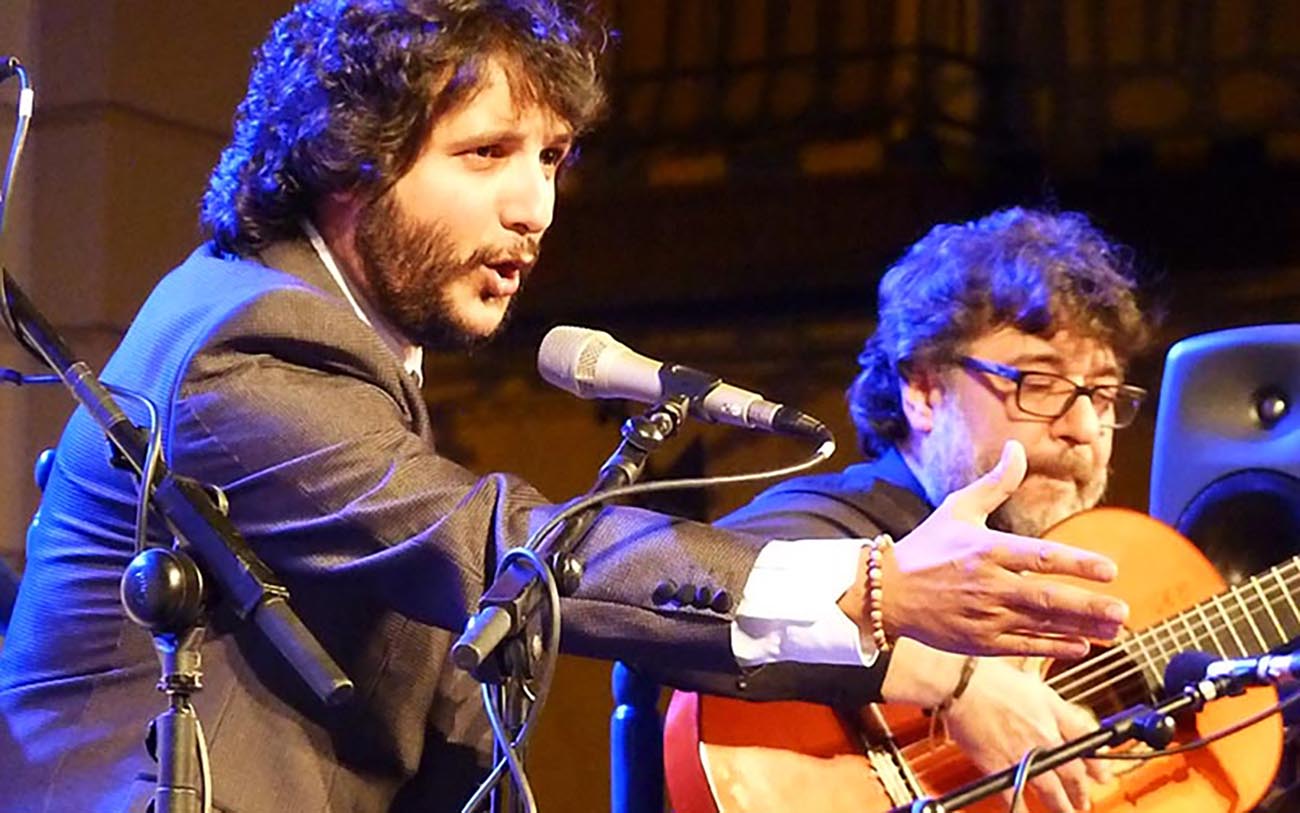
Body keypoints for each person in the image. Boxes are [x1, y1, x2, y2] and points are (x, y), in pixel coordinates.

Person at [0, 5, 1128, 812]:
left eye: (551, 155)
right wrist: (872, 589)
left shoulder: (342, 339)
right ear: (346, 163)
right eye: (486, 153)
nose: (535, 205)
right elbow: (498, 547)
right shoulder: (248, 341)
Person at [718, 207, 1152, 813]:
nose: (1083, 427)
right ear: (924, 391)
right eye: (1041, 384)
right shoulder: (832, 518)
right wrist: (961, 685)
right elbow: (707, 587)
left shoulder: (1091, 565)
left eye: (1102, 394)